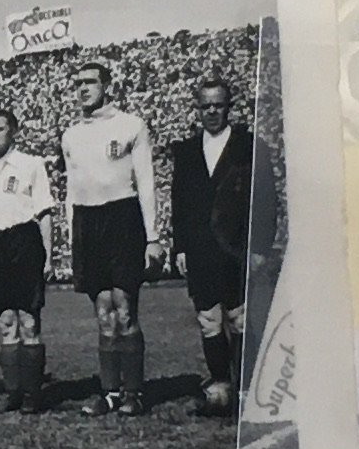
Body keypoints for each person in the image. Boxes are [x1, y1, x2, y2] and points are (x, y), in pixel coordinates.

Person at [164, 70, 266, 420]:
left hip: (237, 246)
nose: (212, 112)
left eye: (218, 106)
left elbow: (265, 200)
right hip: (201, 248)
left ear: (229, 108)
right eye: (206, 106)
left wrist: (260, 247)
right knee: (208, 319)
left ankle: (246, 386)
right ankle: (221, 383)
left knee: (239, 318)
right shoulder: (187, 151)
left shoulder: (248, 145)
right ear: (198, 109)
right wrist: (179, 247)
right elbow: (179, 202)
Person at [59, 55, 157, 417]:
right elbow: (72, 189)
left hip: (122, 216)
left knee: (125, 308)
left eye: (90, 82)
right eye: (78, 83)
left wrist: (153, 236)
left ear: (106, 86)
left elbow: (146, 181)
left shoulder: (131, 125)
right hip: (88, 221)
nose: (83, 88)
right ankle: (110, 392)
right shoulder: (70, 134)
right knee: (103, 311)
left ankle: (134, 392)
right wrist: (72, 237)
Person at [0, 105, 59, 412]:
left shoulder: (30, 164)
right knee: (6, 322)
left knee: (29, 321)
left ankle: (33, 394)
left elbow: (44, 213)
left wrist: (47, 256)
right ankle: (13, 391)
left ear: (13, 131)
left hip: (24, 242)